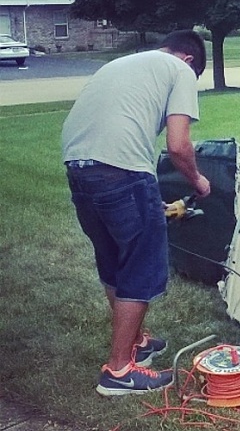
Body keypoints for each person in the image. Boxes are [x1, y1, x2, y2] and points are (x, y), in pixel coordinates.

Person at [62, 29, 211, 396]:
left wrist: (142, 200)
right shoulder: (180, 71)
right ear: (189, 59)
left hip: (80, 168)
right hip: (122, 172)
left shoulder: (124, 63)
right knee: (143, 265)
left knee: (113, 259)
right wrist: (198, 181)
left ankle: (137, 344)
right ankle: (119, 371)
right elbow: (178, 145)